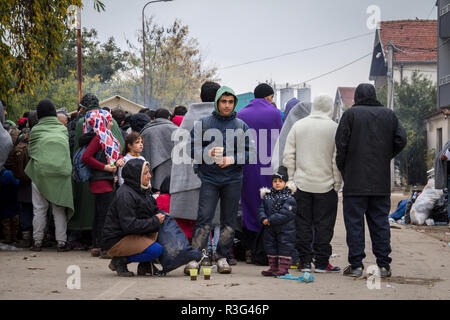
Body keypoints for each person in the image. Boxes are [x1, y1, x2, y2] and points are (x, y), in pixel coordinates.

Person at [335, 83, 407, 278]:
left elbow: (340, 145)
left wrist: (344, 167)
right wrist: (385, 156)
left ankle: (357, 265)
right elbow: (401, 140)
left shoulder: (350, 115)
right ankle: (384, 266)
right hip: (380, 182)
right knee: (380, 223)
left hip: (355, 181)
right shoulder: (389, 115)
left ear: (357, 97)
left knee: (355, 224)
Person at [187, 85, 255, 274]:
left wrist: (232, 159)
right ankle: (197, 257)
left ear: (235, 103)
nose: (227, 105)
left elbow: (252, 153)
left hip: (233, 179)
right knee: (204, 219)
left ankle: (223, 257)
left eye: (230, 102)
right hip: (209, 178)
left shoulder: (241, 126)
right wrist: (207, 153)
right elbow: (189, 149)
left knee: (229, 220)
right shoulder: (204, 123)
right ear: (217, 102)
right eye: (223, 101)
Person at [284, 94, 342, 273]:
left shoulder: (298, 125)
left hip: (301, 185)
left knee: (302, 224)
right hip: (326, 186)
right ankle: (323, 263)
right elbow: (336, 159)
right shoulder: (334, 128)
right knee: (324, 226)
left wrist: (291, 179)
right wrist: (337, 183)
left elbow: (289, 156)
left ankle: (305, 262)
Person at [169, 82, 221, 250]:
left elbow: (180, 150)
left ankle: (198, 253)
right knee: (218, 220)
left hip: (190, 178)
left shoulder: (189, 118)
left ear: (200, 96)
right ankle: (218, 254)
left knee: (198, 220)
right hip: (218, 178)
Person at [70, 94, 125, 248]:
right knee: (104, 211)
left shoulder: (84, 120)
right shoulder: (110, 119)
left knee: (93, 209)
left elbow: (79, 151)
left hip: (90, 174)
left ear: (84, 107)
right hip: (108, 172)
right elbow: (119, 143)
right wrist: (113, 163)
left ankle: (93, 240)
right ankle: (101, 244)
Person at [237, 83, 283, 264]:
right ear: (268, 97)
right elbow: (280, 139)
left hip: (248, 167)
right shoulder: (275, 114)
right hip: (269, 166)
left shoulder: (241, 114)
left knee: (249, 205)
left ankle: (249, 248)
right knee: (270, 205)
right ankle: (267, 249)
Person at [24, 99, 74, 252]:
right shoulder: (63, 129)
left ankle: (37, 242)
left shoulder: (36, 131)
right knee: (58, 208)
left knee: (39, 208)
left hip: (41, 173)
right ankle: (62, 243)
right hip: (61, 173)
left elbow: (31, 152)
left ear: (39, 115)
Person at [103, 158, 165, 277]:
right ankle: (120, 260)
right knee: (156, 250)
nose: (150, 176)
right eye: (145, 173)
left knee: (163, 235)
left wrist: (159, 217)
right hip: (117, 239)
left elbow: (152, 209)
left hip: (131, 234)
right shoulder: (125, 195)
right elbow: (129, 226)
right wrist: (155, 221)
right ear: (136, 176)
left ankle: (145, 265)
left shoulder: (142, 190)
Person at [80, 109, 125, 258]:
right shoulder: (99, 137)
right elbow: (86, 157)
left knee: (101, 214)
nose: (111, 123)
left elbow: (112, 155)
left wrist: (118, 160)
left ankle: (97, 245)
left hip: (105, 179)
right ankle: (105, 247)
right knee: (105, 215)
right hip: (101, 180)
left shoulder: (106, 137)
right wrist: (105, 167)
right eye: (110, 120)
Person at [257, 166, 296, 276]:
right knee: (270, 246)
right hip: (270, 228)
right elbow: (261, 209)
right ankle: (273, 267)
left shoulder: (289, 198)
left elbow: (286, 214)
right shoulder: (267, 197)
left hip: (285, 230)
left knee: (285, 247)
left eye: (280, 181)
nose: (277, 183)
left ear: (285, 182)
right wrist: (263, 218)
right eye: (275, 181)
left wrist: (269, 220)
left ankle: (283, 268)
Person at [140, 108, 178, 191]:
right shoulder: (177, 130)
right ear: (168, 118)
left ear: (154, 118)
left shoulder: (146, 132)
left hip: (151, 176)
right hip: (173, 175)